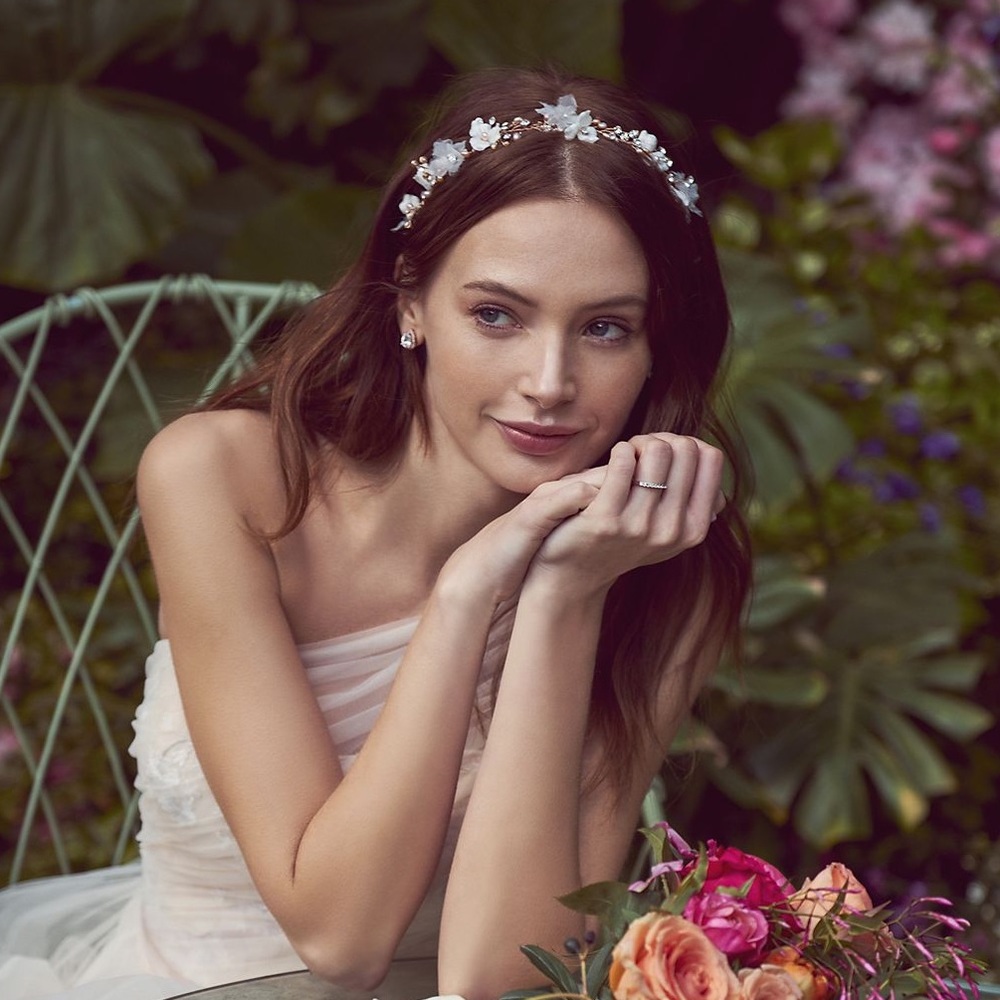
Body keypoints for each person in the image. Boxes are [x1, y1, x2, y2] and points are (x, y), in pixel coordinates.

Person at [0, 66, 751, 1000]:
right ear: (409, 303)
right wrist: (468, 592)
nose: (549, 382)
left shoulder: (657, 565)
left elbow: (504, 976)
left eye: (604, 329)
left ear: (654, 351)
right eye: (496, 315)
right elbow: (341, 938)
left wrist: (562, 595)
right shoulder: (222, 477)